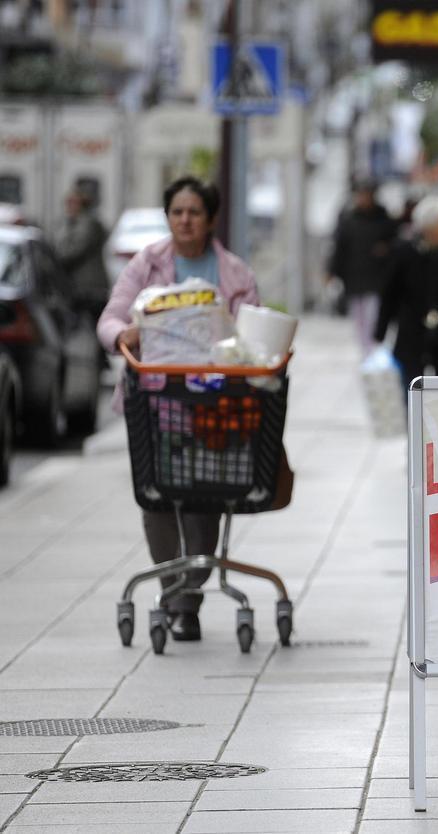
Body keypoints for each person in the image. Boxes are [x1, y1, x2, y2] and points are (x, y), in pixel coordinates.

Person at [96, 177, 259, 642]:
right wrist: (121, 335)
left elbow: (253, 334)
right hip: (154, 404)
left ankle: (190, 594)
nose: (184, 220)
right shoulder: (146, 265)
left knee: (205, 497)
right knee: (158, 497)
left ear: (210, 219)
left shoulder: (234, 274)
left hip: (214, 407)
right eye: (176, 212)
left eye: (193, 212)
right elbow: (110, 318)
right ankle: (176, 595)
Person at [374, 196, 438, 389]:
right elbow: (390, 292)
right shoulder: (404, 252)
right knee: (413, 388)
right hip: (412, 331)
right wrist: (380, 331)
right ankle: (415, 420)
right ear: (429, 228)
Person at [327, 177, 399, 355]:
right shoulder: (349, 220)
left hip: (376, 277)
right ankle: (365, 352)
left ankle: (375, 349)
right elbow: (339, 248)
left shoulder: (384, 219)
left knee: (373, 316)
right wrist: (331, 271)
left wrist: (386, 250)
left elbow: (396, 245)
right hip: (354, 276)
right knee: (359, 320)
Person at [52, 186, 110, 321]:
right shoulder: (69, 223)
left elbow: (73, 251)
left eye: (73, 202)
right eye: (68, 202)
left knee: (92, 325)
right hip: (77, 287)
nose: (69, 206)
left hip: (90, 287)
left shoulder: (88, 224)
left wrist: (53, 262)